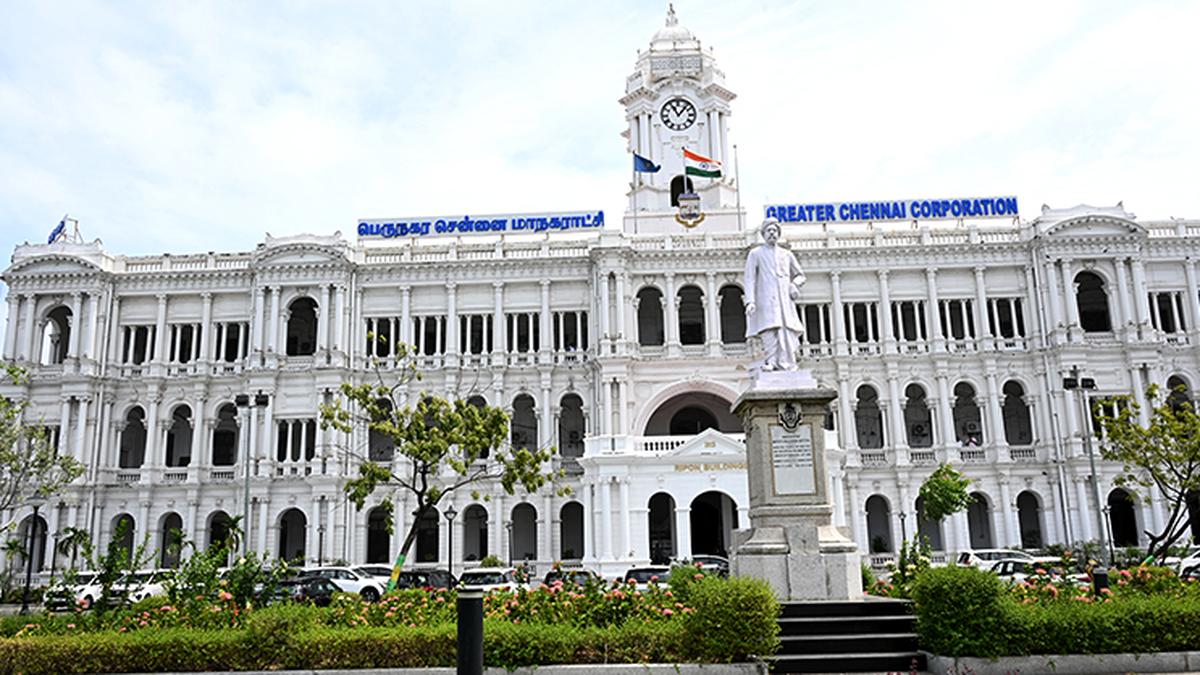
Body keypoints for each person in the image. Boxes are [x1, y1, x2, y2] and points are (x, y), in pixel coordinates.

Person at [743, 217, 806, 370]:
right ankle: (771, 361)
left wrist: (794, 284)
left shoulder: (787, 254)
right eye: (769, 230)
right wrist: (750, 301)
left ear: (779, 233)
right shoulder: (755, 253)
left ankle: (787, 362)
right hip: (765, 299)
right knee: (769, 329)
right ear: (763, 234)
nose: (772, 233)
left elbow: (801, 275)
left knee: (785, 329)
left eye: (775, 230)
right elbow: (749, 278)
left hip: (784, 300)